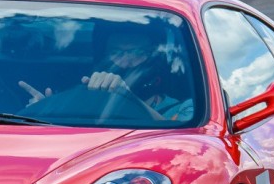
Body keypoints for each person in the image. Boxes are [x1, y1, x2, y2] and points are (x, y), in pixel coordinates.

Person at [21, 26, 193, 123]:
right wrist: (45, 112)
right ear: (103, 57)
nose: (126, 62)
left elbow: (182, 142)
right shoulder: (78, 105)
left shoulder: (186, 109)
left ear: (154, 58)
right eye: (116, 52)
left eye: (138, 52)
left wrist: (127, 97)